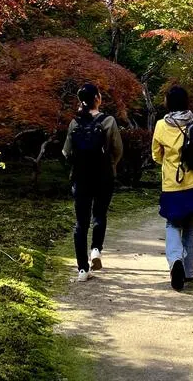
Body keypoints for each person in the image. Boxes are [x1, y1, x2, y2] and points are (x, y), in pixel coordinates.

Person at [151, 85, 193, 292]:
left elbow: (156, 155)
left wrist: (170, 161)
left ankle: (175, 260)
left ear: (168, 103)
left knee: (172, 225)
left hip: (173, 185)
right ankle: (188, 271)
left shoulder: (161, 125)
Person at [62, 83, 123, 282]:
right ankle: (96, 249)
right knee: (100, 214)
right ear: (98, 98)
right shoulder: (108, 121)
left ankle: (82, 269)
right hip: (103, 176)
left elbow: (66, 152)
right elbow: (117, 149)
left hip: (81, 177)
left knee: (81, 223)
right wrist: (110, 166)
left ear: (81, 100)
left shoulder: (75, 123)